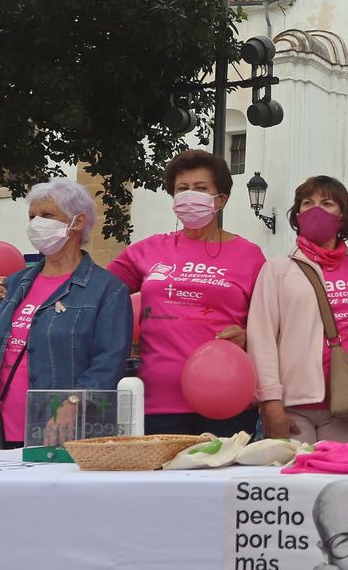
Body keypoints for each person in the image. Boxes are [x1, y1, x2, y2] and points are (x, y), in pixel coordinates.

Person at [0, 178, 132, 449]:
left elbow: (108, 361)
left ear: (77, 222)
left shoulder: (106, 290)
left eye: (47, 215)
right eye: (32, 216)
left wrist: (73, 405)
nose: (36, 223)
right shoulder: (11, 285)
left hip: (64, 436)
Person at [107, 150, 266, 435]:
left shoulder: (250, 255)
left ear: (221, 200)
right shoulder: (147, 250)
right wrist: (13, 283)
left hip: (226, 398)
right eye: (182, 189)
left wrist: (248, 337)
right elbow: (91, 289)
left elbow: (270, 324)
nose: (190, 196)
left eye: (201, 189)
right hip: (158, 404)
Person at [247, 176, 348, 444]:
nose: (315, 209)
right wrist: (270, 401)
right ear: (297, 215)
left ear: (343, 216)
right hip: (293, 404)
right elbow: (262, 337)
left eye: (327, 203)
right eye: (307, 203)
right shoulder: (279, 268)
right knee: (298, 482)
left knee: (338, 480)